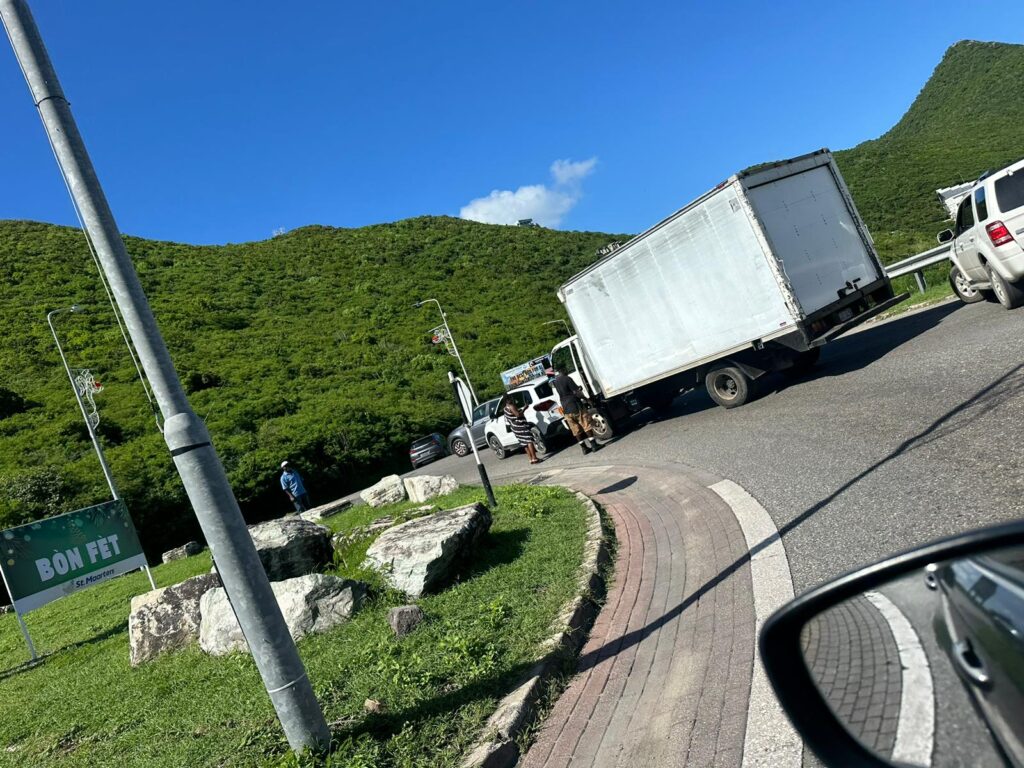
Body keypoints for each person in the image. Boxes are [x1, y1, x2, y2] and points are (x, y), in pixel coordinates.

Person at [552, 368, 599, 455]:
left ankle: (584, 448)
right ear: (563, 371)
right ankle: (594, 445)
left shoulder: (555, 382)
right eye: (565, 370)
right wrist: (587, 399)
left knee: (575, 430)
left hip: (566, 409)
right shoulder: (567, 378)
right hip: (575, 406)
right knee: (586, 424)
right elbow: (577, 392)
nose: (567, 371)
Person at [503, 397, 540, 464]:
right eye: (511, 398)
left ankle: (531, 459)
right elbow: (518, 415)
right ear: (509, 400)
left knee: (524, 443)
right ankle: (535, 458)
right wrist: (524, 408)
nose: (513, 399)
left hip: (514, 427)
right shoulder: (511, 406)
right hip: (520, 425)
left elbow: (512, 415)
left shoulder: (505, 408)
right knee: (529, 441)